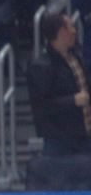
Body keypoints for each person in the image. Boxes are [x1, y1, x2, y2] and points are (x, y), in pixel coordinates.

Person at [28, 11, 91, 156]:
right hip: (60, 139)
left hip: (84, 133)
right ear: (61, 32)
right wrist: (73, 100)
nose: (74, 31)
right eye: (71, 27)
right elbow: (41, 106)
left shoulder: (77, 55)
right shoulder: (41, 66)